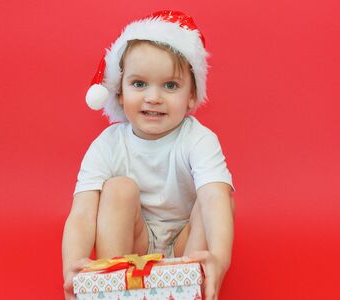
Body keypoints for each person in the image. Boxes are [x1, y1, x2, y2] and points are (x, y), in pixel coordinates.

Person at [62, 10, 235, 300]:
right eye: (139, 84)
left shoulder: (198, 139)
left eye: (170, 85)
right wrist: (73, 266)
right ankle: (115, 285)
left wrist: (218, 257)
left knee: (220, 196)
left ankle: (196, 283)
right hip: (134, 245)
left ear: (192, 96)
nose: (153, 97)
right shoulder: (107, 144)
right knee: (118, 189)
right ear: (119, 92)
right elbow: (82, 213)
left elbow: (215, 198)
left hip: (184, 245)